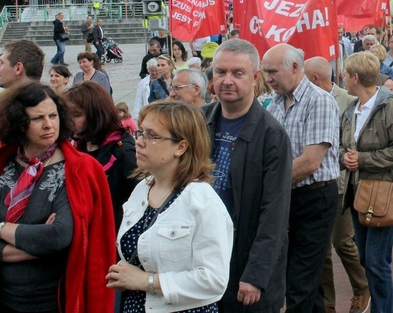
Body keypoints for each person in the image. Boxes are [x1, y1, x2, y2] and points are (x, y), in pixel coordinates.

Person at [106, 101, 234, 312]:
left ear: (181, 147)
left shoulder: (202, 201)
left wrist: (146, 281)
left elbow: (214, 280)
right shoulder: (142, 189)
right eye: (139, 133)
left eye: (152, 136)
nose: (139, 142)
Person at [0, 82, 116, 312]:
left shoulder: (79, 169)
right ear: (19, 122)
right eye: (38, 118)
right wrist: (37, 241)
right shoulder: (3, 163)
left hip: (55, 301)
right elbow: (49, 242)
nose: (49, 125)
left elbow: (58, 236)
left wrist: (1, 228)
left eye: (53, 115)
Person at [203, 39, 292, 312]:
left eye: (237, 73)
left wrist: (255, 275)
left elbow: (274, 213)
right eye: (220, 72)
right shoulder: (199, 121)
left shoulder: (271, 134)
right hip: (203, 255)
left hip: (244, 259)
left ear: (255, 78)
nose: (227, 80)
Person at [263, 43, 339, 312]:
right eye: (265, 72)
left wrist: (267, 185)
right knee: (306, 278)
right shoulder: (274, 104)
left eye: (273, 71)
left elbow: (310, 162)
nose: (268, 78)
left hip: (314, 198)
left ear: (295, 67)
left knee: (299, 281)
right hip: (289, 197)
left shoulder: (319, 100)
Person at [339, 52, 393, 313]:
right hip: (359, 193)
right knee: (368, 258)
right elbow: (342, 146)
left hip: (386, 193)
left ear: (355, 77)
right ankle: (390, 308)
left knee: (376, 260)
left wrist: (363, 159)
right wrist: (346, 157)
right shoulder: (351, 109)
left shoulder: (390, 107)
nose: (343, 77)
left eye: (346, 74)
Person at [305, 56, 370, 313]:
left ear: (314, 79)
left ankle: (362, 288)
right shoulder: (304, 100)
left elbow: (355, 140)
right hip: (314, 185)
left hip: (342, 183)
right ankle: (327, 305)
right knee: (322, 251)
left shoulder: (349, 100)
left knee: (342, 242)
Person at [64, 81, 139, 228]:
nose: (70, 121)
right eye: (67, 115)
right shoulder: (78, 147)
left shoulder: (123, 152)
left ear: (96, 114)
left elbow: (140, 200)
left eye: (77, 115)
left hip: (113, 233)